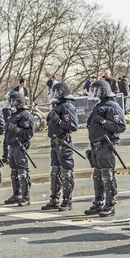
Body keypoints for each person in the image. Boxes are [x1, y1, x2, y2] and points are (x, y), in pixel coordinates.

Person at [84, 80, 127, 217]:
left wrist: (103, 121)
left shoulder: (112, 106)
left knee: (107, 176)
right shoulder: (99, 105)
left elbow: (120, 126)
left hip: (105, 146)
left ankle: (110, 204)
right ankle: (98, 202)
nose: (94, 93)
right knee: (97, 176)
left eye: (97, 90)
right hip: (96, 146)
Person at [42, 83, 78, 211]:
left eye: (57, 92)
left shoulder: (67, 107)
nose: (55, 95)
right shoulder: (57, 107)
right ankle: (54, 199)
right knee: (55, 172)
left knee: (66, 173)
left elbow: (73, 125)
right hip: (55, 143)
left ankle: (67, 200)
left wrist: (58, 121)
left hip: (64, 143)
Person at [4, 91, 35, 207]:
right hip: (12, 146)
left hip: (20, 146)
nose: (11, 103)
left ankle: (25, 196)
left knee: (22, 172)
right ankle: (16, 194)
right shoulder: (13, 115)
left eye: (13, 101)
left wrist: (16, 129)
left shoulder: (26, 115)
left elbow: (29, 134)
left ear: (19, 102)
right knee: (14, 172)